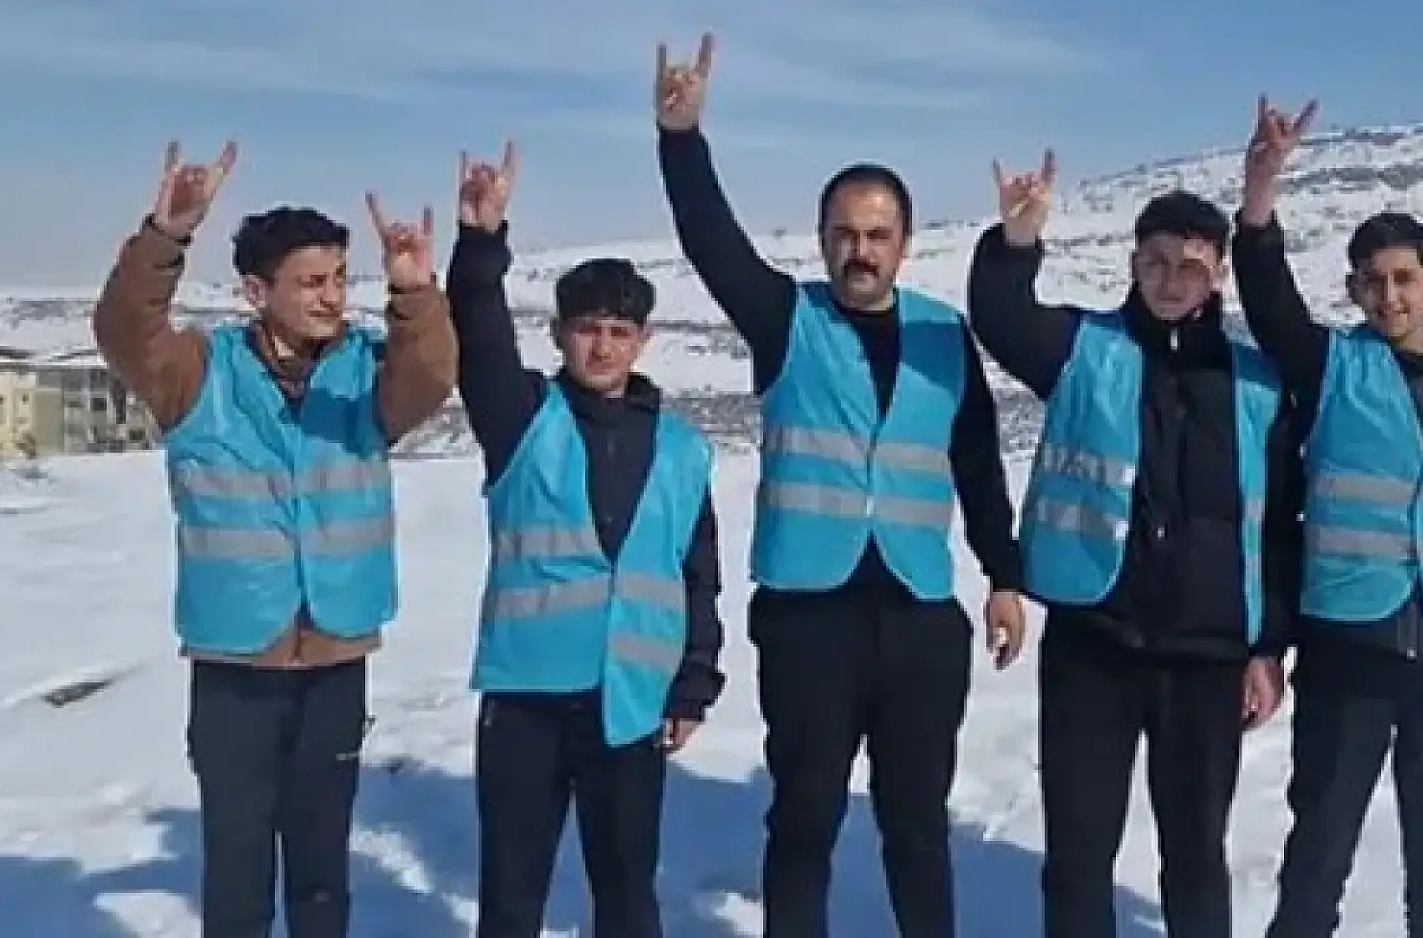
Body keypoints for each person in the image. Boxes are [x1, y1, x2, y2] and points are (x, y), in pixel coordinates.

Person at [653, 33, 1029, 938]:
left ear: (904, 243)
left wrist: (1004, 575)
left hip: (917, 617)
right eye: (844, 234)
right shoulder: (786, 319)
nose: (860, 250)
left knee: (916, 829)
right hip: (808, 616)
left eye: (877, 235)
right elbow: (712, 243)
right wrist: (681, 140)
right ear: (822, 240)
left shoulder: (946, 336)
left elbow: (976, 461)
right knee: (805, 822)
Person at [91, 141, 457, 938]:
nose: (331, 298)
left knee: (323, 864)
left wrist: (414, 292)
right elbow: (123, 329)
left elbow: (431, 376)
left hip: (334, 653)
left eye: (338, 279)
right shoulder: (197, 372)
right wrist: (166, 234)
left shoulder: (368, 372)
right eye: (311, 282)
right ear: (257, 291)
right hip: (235, 664)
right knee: (237, 863)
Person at [968, 151, 1303, 938]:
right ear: (1133, 264)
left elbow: (1279, 525)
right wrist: (1016, 241)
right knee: (1080, 855)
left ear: (1217, 273)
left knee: (1194, 857)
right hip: (1096, 642)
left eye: (1191, 264)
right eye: (1155, 262)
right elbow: (1001, 316)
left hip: (1208, 655)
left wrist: (1269, 649)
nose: (1172, 279)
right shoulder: (1084, 350)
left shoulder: (1258, 384)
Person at [1232, 96, 1423, 938]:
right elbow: (1268, 300)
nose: (1390, 295)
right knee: (1319, 851)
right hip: (1349, 646)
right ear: (1355, 290)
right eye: (1373, 281)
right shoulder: (1331, 367)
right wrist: (1261, 194)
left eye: (1405, 279)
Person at [445, 143, 726, 938]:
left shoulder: (680, 448)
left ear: (643, 339)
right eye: (586, 329)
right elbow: (478, 327)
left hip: (627, 706)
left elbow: (696, 574)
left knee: (629, 898)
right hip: (527, 703)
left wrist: (693, 680)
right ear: (560, 334)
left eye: (618, 330)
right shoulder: (521, 417)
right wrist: (479, 241)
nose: (601, 346)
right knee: (511, 898)